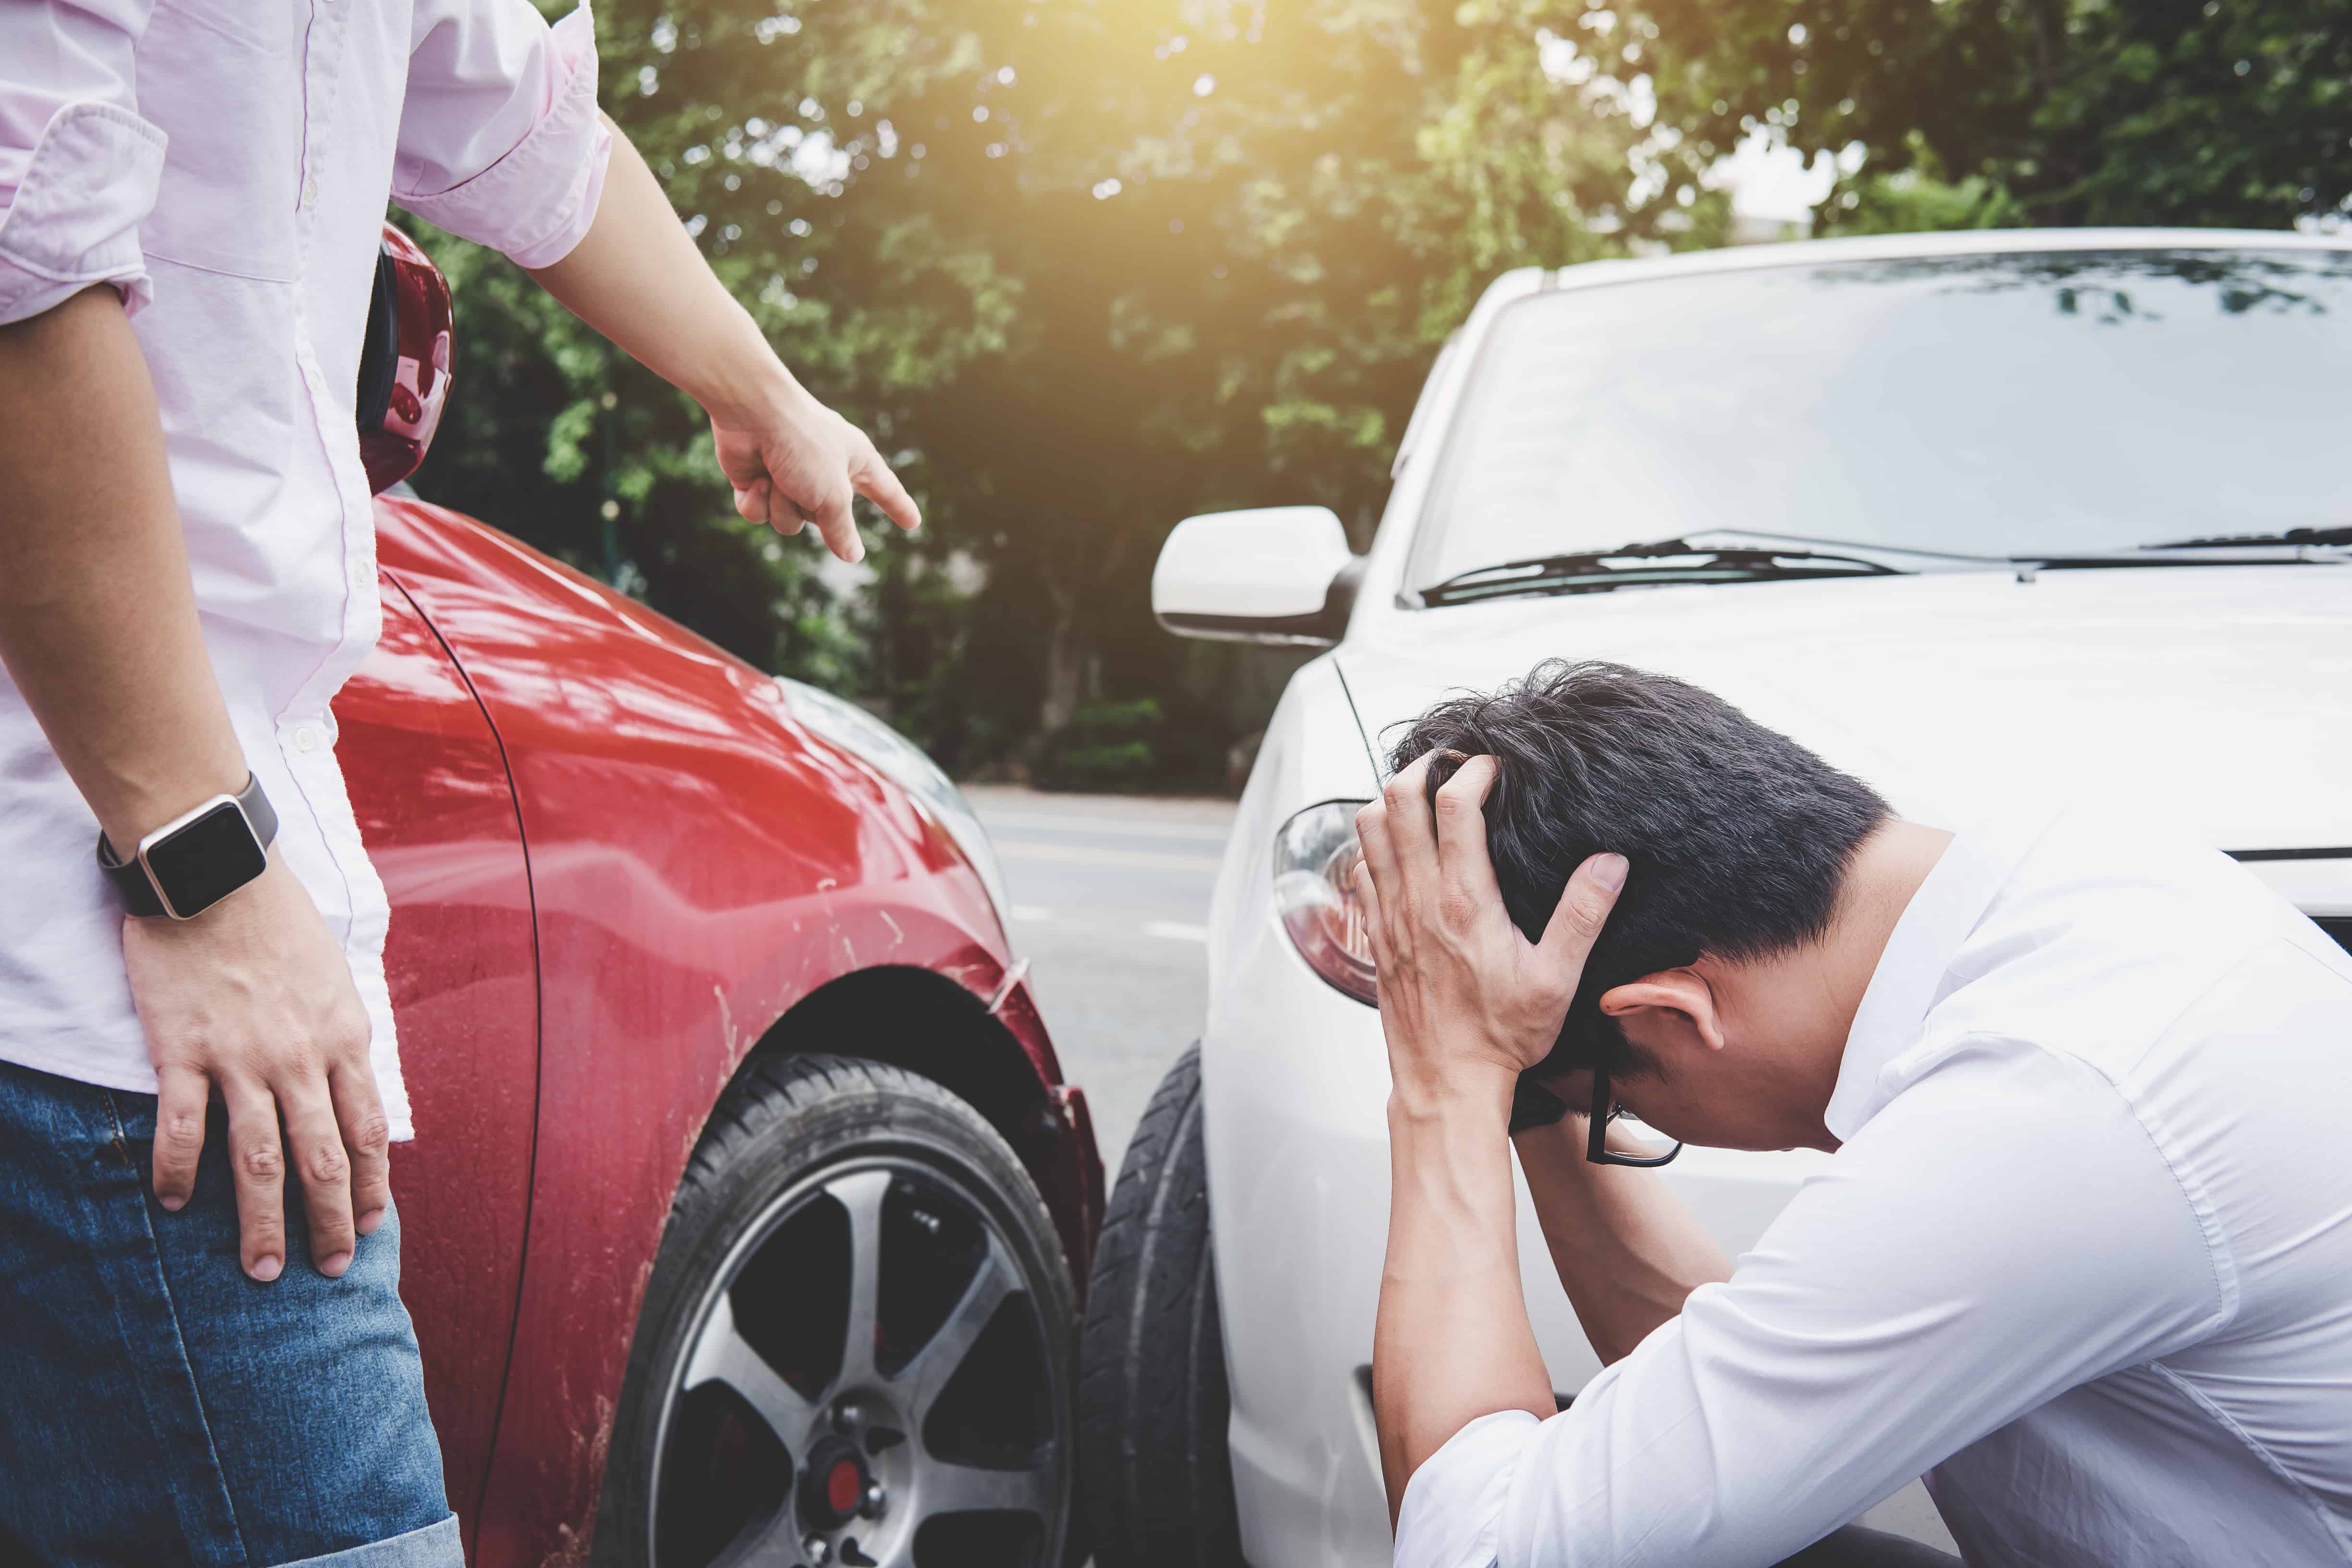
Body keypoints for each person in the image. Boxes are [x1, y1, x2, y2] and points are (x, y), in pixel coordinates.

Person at [0, 3, 918, 1561]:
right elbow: (17, 250)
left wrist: (758, 386)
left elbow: (518, 116)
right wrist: (202, 867)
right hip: (102, 919)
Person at [1352, 659, 2352, 1568]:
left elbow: (1476, 1547)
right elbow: (1710, 1409)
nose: (1609, 1123)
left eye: (1608, 1107)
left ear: (1673, 1014)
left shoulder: (2047, 1111)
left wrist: (1447, 1079)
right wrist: (1518, 1076)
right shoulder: (2086, 903)